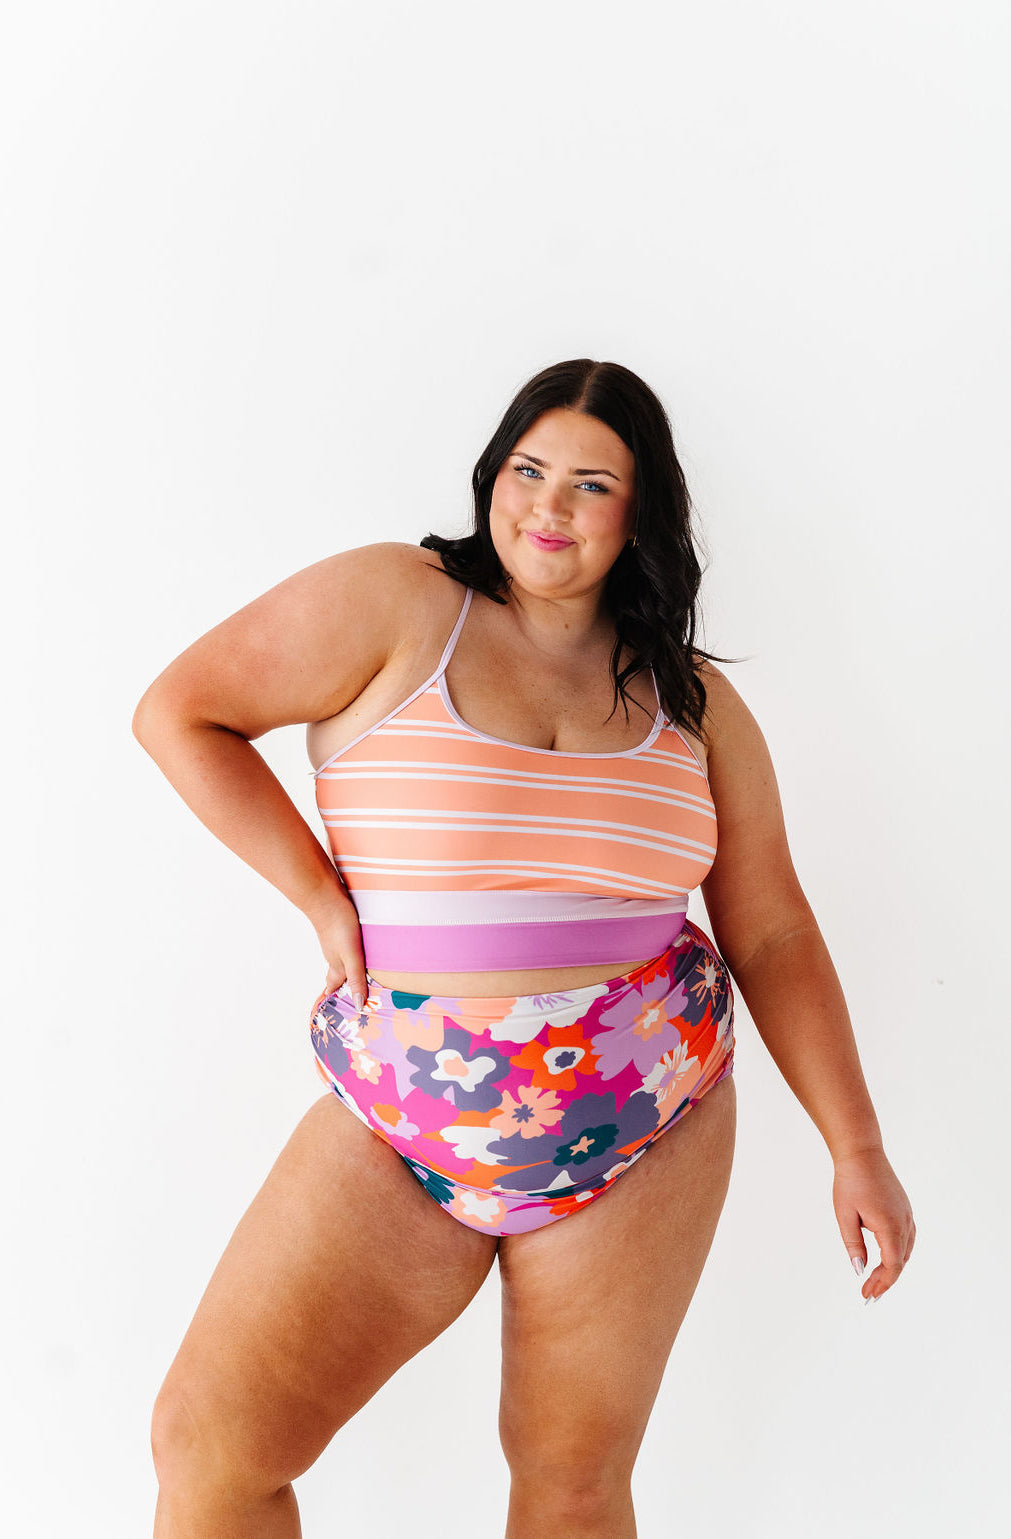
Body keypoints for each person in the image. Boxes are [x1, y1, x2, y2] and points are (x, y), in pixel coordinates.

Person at [133, 357, 915, 1539]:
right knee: (210, 1445)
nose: (549, 506)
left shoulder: (693, 702)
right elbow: (181, 712)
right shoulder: (398, 601)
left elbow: (772, 928)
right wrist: (315, 895)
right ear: (492, 476)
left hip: (644, 1122)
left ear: (640, 514)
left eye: (591, 484)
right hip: (400, 1110)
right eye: (528, 470)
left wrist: (856, 1146)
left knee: (574, 1486)